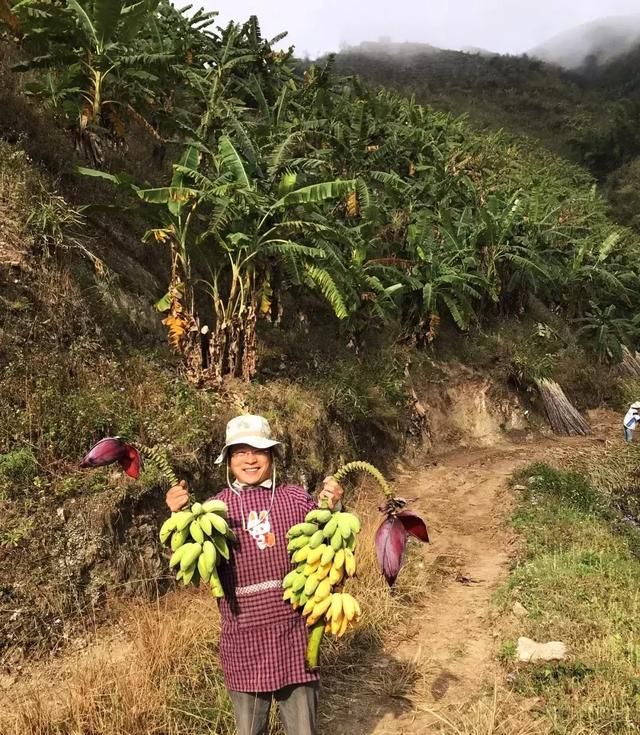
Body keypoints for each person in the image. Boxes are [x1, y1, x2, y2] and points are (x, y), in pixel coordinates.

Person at [165, 414, 344, 735]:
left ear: (272, 455)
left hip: (296, 636)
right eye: (239, 452)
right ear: (228, 460)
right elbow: (186, 564)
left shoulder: (296, 499)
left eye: (258, 451)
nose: (249, 459)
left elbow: (327, 547)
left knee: (304, 730)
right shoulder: (213, 510)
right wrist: (179, 516)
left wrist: (334, 508)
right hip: (243, 641)